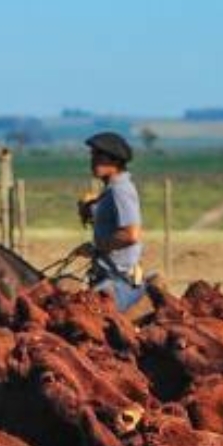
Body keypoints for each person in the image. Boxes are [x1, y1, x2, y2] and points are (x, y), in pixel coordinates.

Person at [75, 130, 146, 313]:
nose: (93, 160)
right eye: (93, 155)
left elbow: (131, 235)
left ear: (115, 161)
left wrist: (97, 247)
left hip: (117, 280)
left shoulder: (120, 190)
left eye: (99, 156)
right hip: (108, 275)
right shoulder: (111, 190)